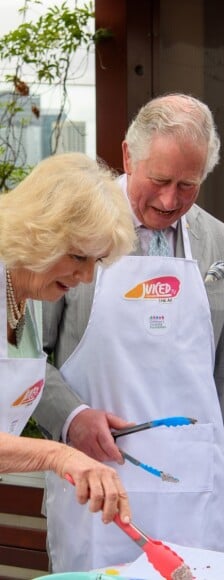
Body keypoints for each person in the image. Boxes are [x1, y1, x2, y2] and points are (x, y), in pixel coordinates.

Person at [34, 93, 224, 571]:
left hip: (194, 486)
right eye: (160, 180)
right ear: (129, 156)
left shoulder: (220, 241)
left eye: (188, 185)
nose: (171, 200)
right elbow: (31, 358)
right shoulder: (73, 228)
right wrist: (73, 418)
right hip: (95, 478)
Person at [0, 152, 135, 527]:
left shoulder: (32, 295)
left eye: (97, 262)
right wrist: (60, 455)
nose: (87, 277)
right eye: (78, 257)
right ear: (37, 232)